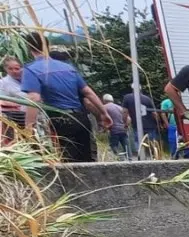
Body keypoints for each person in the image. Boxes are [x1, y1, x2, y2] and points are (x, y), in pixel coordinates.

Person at [21, 33, 111, 162]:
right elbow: (88, 92)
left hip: (59, 120)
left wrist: (29, 127)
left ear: (29, 48)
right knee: (87, 160)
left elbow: (34, 98)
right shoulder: (68, 67)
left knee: (67, 161)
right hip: (81, 119)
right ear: (48, 46)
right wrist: (104, 113)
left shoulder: (31, 70)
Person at [122, 89, 161, 157]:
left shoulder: (127, 97)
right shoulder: (147, 98)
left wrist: (125, 123)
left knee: (138, 142)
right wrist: (159, 124)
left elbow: (125, 112)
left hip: (137, 125)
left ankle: (141, 157)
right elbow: (154, 113)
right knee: (152, 143)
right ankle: (153, 157)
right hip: (150, 125)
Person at [1, 57, 25, 142]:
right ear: (5, 69)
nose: (14, 71)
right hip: (13, 118)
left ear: (22, 67)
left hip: (31, 116)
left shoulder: (29, 78)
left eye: (17, 68)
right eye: (10, 69)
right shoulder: (4, 82)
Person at [102, 94, 131, 159]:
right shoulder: (119, 107)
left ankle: (120, 159)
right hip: (123, 129)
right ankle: (130, 159)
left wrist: (104, 129)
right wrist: (125, 126)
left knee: (113, 145)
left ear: (104, 100)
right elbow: (129, 119)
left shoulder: (104, 107)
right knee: (126, 145)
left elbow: (103, 119)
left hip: (113, 130)